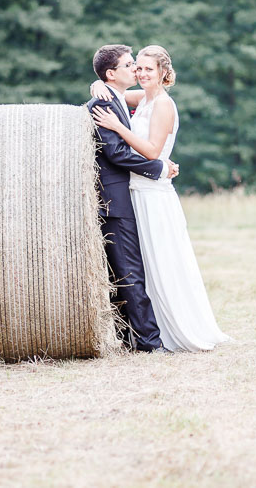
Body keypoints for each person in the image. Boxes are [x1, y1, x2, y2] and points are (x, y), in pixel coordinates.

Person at [90, 45, 230, 352]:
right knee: (146, 265)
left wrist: (116, 127)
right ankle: (151, 331)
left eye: (147, 69)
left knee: (163, 260)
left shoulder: (164, 103)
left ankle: (174, 328)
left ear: (163, 73)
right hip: (135, 191)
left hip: (153, 193)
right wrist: (97, 82)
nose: (140, 73)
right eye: (137, 67)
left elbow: (152, 151)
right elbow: (112, 93)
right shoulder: (144, 97)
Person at [87, 44, 178, 353]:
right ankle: (148, 343)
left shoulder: (122, 99)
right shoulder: (104, 104)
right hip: (118, 198)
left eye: (141, 67)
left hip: (135, 194)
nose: (137, 71)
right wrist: (157, 167)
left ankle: (136, 339)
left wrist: (101, 82)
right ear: (113, 73)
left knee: (133, 269)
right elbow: (115, 152)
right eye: (131, 66)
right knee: (129, 271)